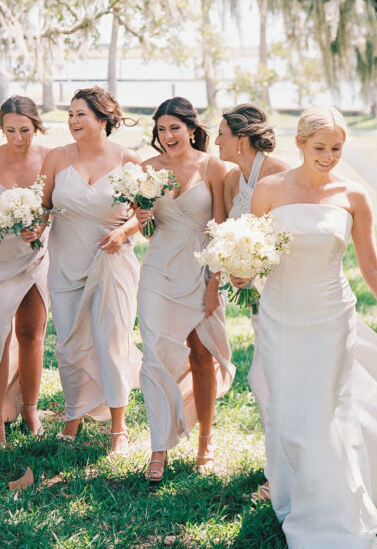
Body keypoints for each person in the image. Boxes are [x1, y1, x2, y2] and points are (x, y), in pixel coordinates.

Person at [239, 105, 377, 549]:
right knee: (286, 409)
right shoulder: (269, 190)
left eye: (337, 149)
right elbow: (252, 253)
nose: (328, 156)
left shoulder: (353, 196)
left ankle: (339, 515)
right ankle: (292, 492)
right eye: (319, 148)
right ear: (300, 144)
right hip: (280, 315)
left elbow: (371, 267)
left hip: (330, 315)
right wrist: (241, 273)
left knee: (328, 411)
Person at [136, 97, 232, 485]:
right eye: (161, 129)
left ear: (191, 129)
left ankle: (205, 441)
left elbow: (222, 232)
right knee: (156, 357)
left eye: (174, 127)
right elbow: (147, 232)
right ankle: (159, 446)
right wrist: (141, 219)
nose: (168, 136)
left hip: (200, 269)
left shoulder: (213, 167)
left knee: (201, 355)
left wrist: (214, 284)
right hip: (158, 271)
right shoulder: (145, 170)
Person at [41, 87, 142, 454]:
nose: (72, 121)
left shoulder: (128, 160)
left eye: (80, 114)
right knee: (69, 344)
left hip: (112, 264)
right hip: (66, 265)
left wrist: (123, 231)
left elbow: (144, 215)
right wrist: (32, 227)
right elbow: (42, 206)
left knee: (111, 342)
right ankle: (74, 415)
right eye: (70, 114)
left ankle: (119, 428)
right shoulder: (56, 157)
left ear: (103, 119)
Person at [215, 102, 289, 500]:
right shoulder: (232, 180)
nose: (216, 141)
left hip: (284, 293)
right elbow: (227, 234)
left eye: (222, 135)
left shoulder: (279, 175)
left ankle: (282, 472)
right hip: (256, 297)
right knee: (265, 379)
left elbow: (290, 239)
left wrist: (256, 269)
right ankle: (277, 463)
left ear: (241, 139)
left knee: (269, 379)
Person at [0, 96, 49, 443]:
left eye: (25, 130)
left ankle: (30, 408)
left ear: (36, 126)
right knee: (1, 337)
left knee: (32, 334)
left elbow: (55, 203)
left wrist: (40, 227)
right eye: (10, 130)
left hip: (37, 255)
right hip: (2, 258)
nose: (18, 138)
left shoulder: (50, 158)